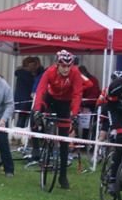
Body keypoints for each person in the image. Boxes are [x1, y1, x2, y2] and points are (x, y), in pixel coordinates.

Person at [31, 49, 84, 189]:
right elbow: (40, 90)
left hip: (65, 103)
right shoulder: (49, 72)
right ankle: (36, 148)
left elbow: (78, 94)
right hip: (51, 99)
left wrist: (74, 113)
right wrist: (37, 110)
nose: (66, 69)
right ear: (57, 64)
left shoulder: (75, 73)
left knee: (64, 140)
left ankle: (63, 176)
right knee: (34, 113)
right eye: (63, 66)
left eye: (69, 66)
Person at [105, 59, 122, 195]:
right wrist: (115, 127)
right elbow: (110, 107)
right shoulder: (116, 86)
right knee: (121, 141)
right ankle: (112, 177)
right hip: (116, 113)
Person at [14, 56, 43, 128]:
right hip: (25, 100)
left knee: (23, 118)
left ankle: (19, 135)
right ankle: (20, 135)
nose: (34, 67)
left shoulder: (21, 73)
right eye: (33, 65)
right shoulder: (25, 74)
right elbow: (33, 83)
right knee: (23, 119)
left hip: (22, 100)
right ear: (28, 65)